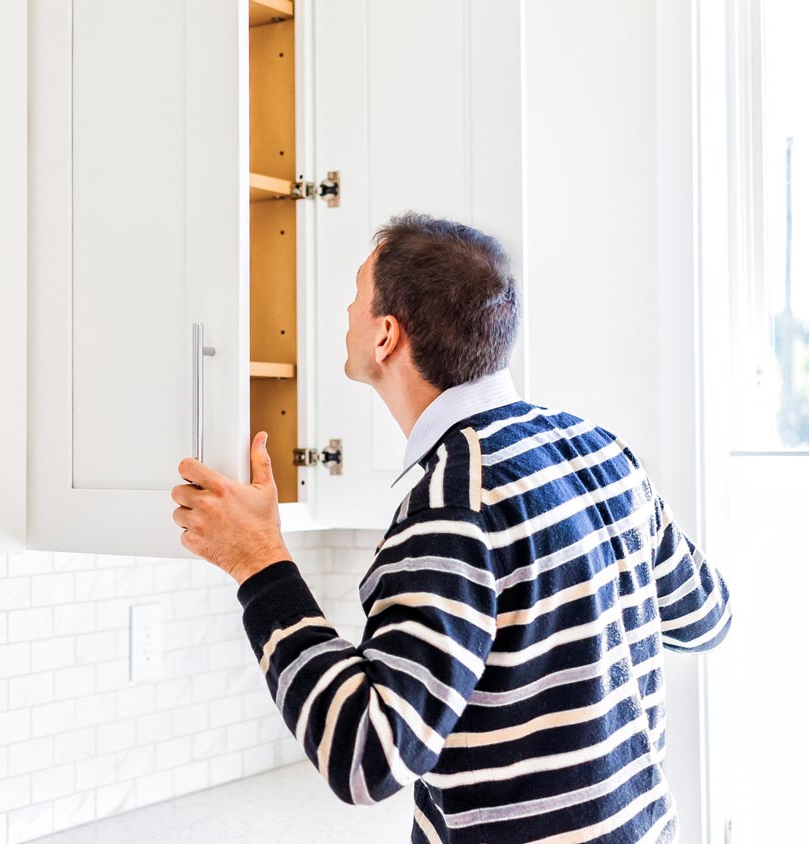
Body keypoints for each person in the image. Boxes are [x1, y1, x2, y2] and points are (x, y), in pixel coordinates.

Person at [170, 212, 733, 843]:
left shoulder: (452, 503)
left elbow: (367, 757)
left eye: (356, 295)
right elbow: (707, 616)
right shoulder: (599, 449)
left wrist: (259, 563)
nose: (346, 311)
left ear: (386, 335)